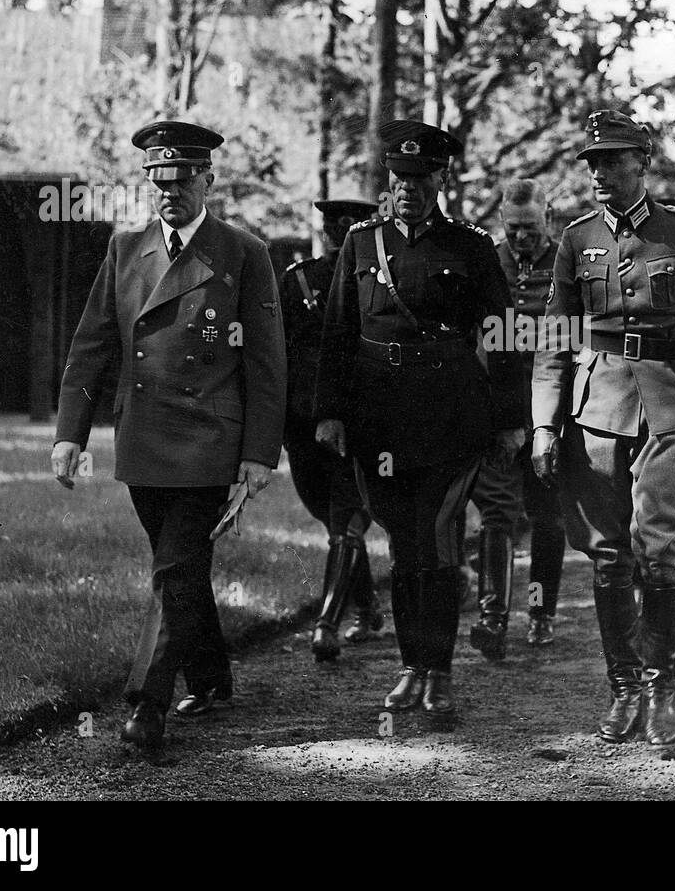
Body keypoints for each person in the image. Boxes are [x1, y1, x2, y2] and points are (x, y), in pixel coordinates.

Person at [50, 120, 287, 751]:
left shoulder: (244, 252)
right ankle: (210, 678)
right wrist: (70, 433)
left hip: (210, 441)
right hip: (144, 440)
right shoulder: (125, 251)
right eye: (158, 182)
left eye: (182, 181)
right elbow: (93, 344)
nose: (169, 194)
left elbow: (267, 364)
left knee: (175, 569)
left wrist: (259, 455)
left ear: (208, 180)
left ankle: (147, 703)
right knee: (178, 570)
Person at [531, 109, 675, 747]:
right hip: (596, 409)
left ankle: (660, 691)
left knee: (659, 551)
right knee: (608, 554)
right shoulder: (576, 240)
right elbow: (554, 340)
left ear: (642, 162)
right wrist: (545, 423)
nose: (600, 171)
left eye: (612, 159)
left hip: (668, 407)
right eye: (593, 161)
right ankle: (623, 688)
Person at [313, 120, 524, 718]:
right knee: (405, 543)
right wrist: (330, 412)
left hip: (452, 417)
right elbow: (337, 335)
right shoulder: (360, 243)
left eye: (421, 176)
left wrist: (511, 419)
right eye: (398, 176)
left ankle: (441, 672)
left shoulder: (471, 246)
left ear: (442, 177)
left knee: (436, 538)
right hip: (379, 418)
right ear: (388, 179)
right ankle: (412, 665)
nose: (408, 186)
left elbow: (505, 334)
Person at [467, 179, 567, 657]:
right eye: (513, 228)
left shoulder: (565, 261)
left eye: (530, 228)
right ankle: (494, 619)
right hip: (497, 407)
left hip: (552, 407)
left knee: (547, 516)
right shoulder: (489, 261)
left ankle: (541, 613)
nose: (521, 237)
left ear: (547, 218)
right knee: (497, 512)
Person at [280, 200, 384, 662]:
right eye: (333, 228)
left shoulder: (377, 281)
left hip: (356, 420)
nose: (340, 236)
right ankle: (368, 608)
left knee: (345, 521)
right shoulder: (296, 280)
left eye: (349, 229)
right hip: (300, 424)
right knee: (325, 513)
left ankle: (327, 624)